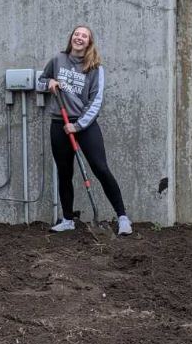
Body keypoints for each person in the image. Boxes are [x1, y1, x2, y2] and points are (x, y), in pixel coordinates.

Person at [36, 25, 133, 236]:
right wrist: (49, 83)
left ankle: (123, 218)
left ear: (89, 42)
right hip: (59, 123)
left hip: (84, 125)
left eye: (84, 36)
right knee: (64, 173)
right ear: (71, 38)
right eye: (77, 34)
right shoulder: (57, 60)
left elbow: (96, 101)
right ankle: (68, 219)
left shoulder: (95, 67)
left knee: (101, 168)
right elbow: (40, 82)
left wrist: (78, 125)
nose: (79, 38)